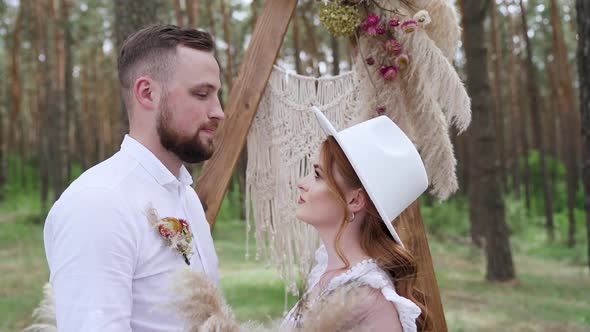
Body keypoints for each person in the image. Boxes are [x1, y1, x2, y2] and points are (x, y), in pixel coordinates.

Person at [43, 24, 224, 331]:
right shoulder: (99, 203)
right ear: (147, 93)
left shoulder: (186, 197)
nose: (218, 111)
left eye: (216, 95)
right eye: (202, 94)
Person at [282, 107, 432, 332]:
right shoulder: (329, 273)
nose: (302, 183)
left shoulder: (370, 300)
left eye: (318, 175)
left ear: (354, 200)